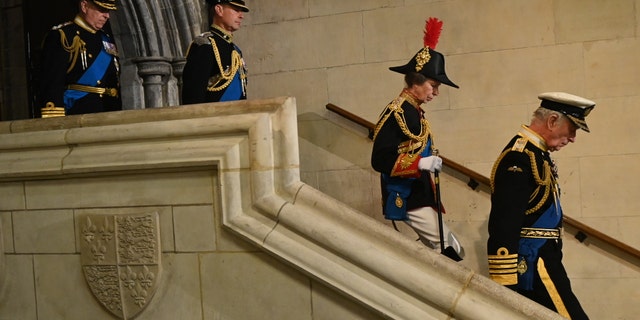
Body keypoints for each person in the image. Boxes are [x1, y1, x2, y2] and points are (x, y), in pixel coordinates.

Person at [487, 92, 594, 319]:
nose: (573, 138)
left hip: (545, 257)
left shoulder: (536, 153)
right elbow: (504, 221)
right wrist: (504, 279)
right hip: (534, 263)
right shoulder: (519, 157)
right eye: (572, 129)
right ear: (552, 121)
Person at [371, 18, 464, 261]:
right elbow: (380, 159)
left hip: (421, 193)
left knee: (448, 248)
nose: (436, 92)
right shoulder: (398, 111)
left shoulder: (414, 111)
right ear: (415, 82)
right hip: (408, 194)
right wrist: (420, 164)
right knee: (448, 250)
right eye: (433, 85)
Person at [39, 0, 121, 117]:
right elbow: (53, 82)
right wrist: (54, 118)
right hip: (79, 112)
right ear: (84, 6)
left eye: (108, 11)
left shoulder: (106, 39)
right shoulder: (63, 36)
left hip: (108, 112)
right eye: (102, 10)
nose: (107, 15)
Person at [181, 0, 249, 104]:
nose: (241, 16)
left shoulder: (236, 50)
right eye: (236, 10)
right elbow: (193, 97)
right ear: (219, 10)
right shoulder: (205, 45)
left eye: (241, 11)